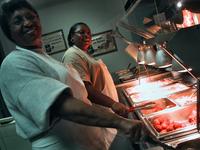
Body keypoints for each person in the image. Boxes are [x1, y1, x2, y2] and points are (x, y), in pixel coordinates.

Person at [0, 0, 146, 150]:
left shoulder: (44, 58)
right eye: (18, 21)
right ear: (8, 31)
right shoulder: (15, 63)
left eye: (31, 17)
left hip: (88, 141)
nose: (28, 23)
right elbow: (63, 106)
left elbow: (79, 95)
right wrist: (118, 121)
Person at [62, 22, 129, 117]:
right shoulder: (72, 55)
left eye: (89, 33)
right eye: (82, 32)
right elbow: (85, 88)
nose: (86, 35)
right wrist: (112, 104)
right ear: (72, 37)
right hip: (99, 109)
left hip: (105, 107)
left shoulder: (82, 53)